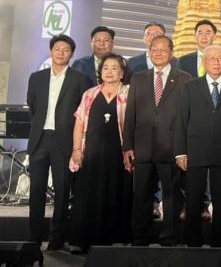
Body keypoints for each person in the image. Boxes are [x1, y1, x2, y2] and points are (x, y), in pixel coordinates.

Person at [123, 35, 192, 247]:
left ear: (172, 53)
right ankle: (140, 237)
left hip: (172, 147)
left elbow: (188, 117)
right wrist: (128, 146)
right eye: (154, 49)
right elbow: (130, 114)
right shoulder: (138, 78)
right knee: (141, 195)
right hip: (143, 147)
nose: (158, 53)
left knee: (172, 196)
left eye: (163, 50)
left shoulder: (185, 79)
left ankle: (169, 237)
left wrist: (183, 149)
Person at [26, 35, 92, 250]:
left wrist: (77, 146)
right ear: (51, 51)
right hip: (40, 140)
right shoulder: (36, 77)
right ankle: (34, 237)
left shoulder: (80, 79)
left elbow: (83, 114)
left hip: (65, 141)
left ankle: (57, 238)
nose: (61, 52)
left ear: (71, 54)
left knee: (62, 191)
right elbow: (32, 106)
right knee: (36, 190)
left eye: (66, 49)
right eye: (57, 48)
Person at [68, 54, 132, 253]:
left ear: (122, 73)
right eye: (106, 68)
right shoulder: (90, 94)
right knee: (87, 195)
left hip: (119, 154)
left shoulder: (130, 93)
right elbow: (79, 124)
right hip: (92, 154)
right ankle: (82, 241)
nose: (109, 71)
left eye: (114, 68)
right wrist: (77, 150)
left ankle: (116, 239)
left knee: (117, 194)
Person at [174, 45, 221, 247]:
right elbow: (182, 120)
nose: (216, 62)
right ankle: (192, 240)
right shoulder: (190, 87)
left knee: (220, 198)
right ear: (204, 62)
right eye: (212, 59)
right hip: (195, 149)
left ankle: (218, 240)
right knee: (193, 197)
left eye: (220, 59)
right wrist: (180, 152)